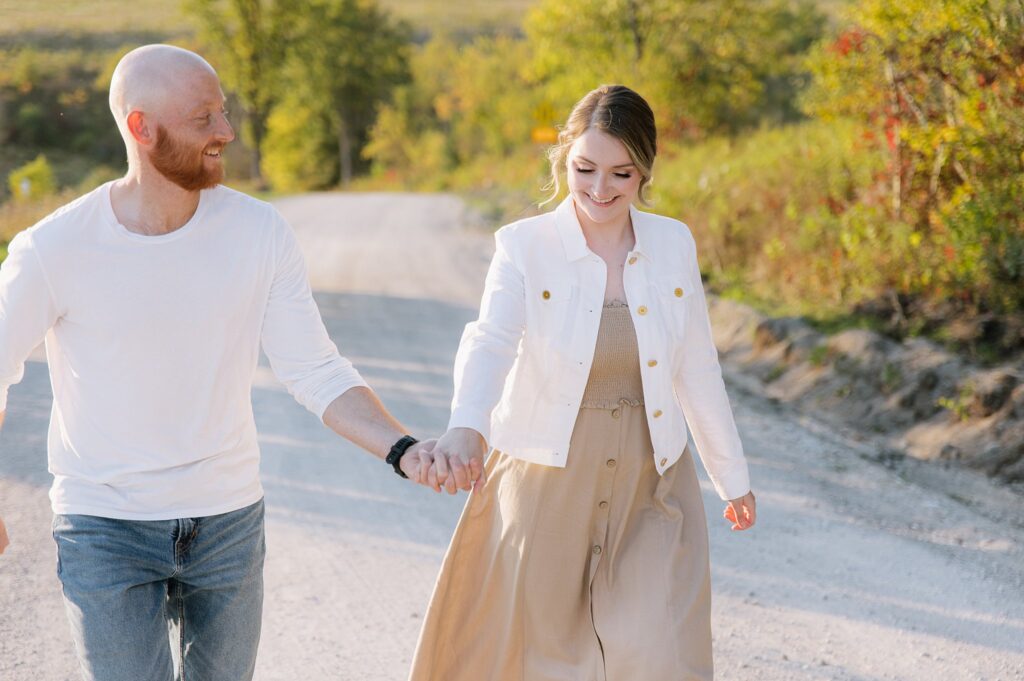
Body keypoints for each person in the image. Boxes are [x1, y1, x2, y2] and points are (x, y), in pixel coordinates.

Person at [0, 44, 436, 681]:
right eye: (204, 118)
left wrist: (401, 448)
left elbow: (315, 368)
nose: (226, 132)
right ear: (141, 128)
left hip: (228, 521)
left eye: (223, 112)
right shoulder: (53, 248)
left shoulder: (259, 232)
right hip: (105, 526)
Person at [407, 84, 757, 681]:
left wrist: (731, 477)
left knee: (658, 650)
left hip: (652, 479)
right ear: (564, 157)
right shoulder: (524, 246)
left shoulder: (672, 243)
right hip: (545, 478)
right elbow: (492, 340)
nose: (601, 189)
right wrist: (466, 427)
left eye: (621, 173)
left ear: (645, 169)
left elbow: (696, 365)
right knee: (539, 657)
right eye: (585, 169)